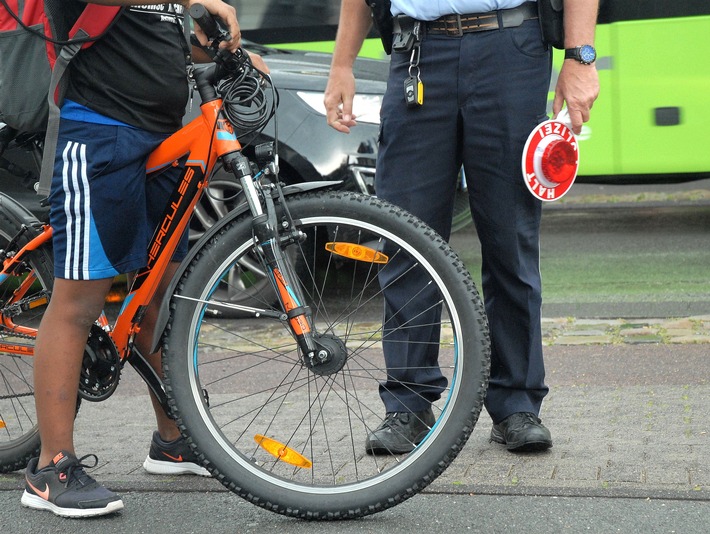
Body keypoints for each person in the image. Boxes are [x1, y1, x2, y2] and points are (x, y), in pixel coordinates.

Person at [324, 0, 599, 455]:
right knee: (407, 243)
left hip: (509, 47)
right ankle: (408, 405)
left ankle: (516, 405)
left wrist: (579, 56)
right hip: (417, 52)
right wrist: (341, 64)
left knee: (510, 240)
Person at [20, 0, 261, 518]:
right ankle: (49, 469)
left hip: (162, 135)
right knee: (78, 304)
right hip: (98, 131)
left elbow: (153, 29)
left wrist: (215, 41)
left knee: (162, 295)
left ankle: (174, 441)